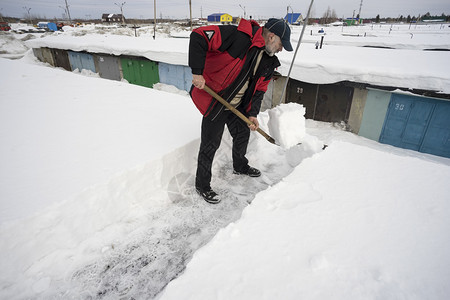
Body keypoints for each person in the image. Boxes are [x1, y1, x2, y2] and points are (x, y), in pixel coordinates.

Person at [188, 18, 293, 204]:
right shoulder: (237, 37)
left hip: (237, 106)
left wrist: (252, 113)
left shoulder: (269, 62)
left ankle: (240, 166)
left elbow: (259, 90)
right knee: (210, 145)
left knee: (242, 133)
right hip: (217, 102)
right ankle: (202, 185)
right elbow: (199, 36)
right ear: (271, 37)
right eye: (280, 44)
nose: (280, 49)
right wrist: (197, 72)